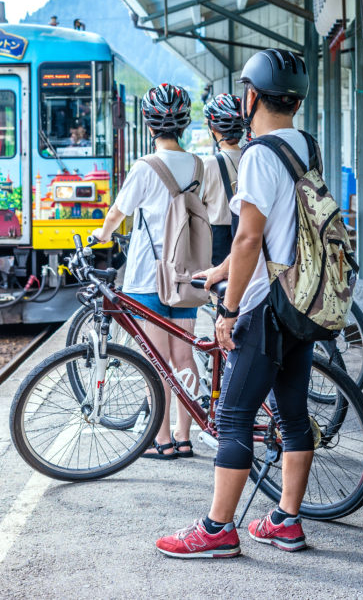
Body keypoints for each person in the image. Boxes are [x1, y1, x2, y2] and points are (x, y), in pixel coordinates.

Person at [155, 49, 316, 557]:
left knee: (233, 416)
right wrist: (221, 271)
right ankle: (286, 520)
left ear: (251, 97)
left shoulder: (259, 155)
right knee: (291, 413)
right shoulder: (305, 145)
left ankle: (217, 530)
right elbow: (282, 230)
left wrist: (228, 310)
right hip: (300, 301)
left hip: (266, 306)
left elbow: (249, 240)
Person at [91, 84, 208, 460]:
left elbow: (117, 214)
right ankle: (185, 434)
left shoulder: (145, 167)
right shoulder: (197, 165)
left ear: (149, 123)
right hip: (185, 275)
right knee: (184, 357)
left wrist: (100, 236)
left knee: (154, 361)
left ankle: (160, 440)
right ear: (185, 124)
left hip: (146, 276)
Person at [202, 94, 244, 266]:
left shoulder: (209, 164)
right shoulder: (253, 157)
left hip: (217, 243)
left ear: (214, 129)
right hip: (248, 235)